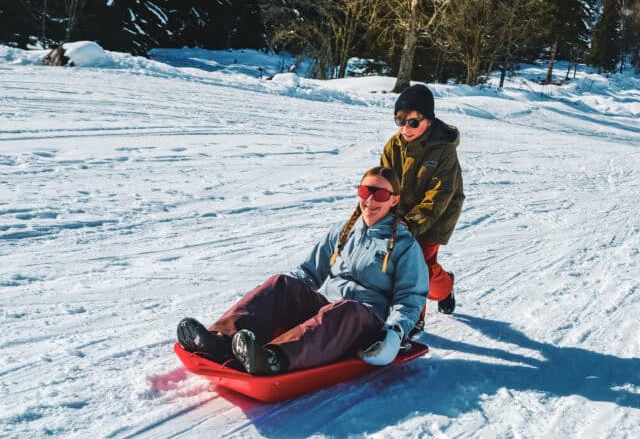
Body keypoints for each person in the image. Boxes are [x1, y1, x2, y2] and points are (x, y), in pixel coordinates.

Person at [175, 167, 428, 375]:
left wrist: (394, 332)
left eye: (381, 195)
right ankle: (220, 340)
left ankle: (272, 359)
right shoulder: (343, 231)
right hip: (328, 312)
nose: (370, 200)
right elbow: (308, 272)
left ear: (394, 200)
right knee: (282, 282)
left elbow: (410, 299)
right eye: (365, 191)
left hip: (365, 322)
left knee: (346, 308)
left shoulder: (405, 246)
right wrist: (273, 295)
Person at [381, 84, 464, 338]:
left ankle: (424, 309)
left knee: (421, 268)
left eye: (413, 122)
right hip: (404, 213)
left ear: (428, 121)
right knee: (392, 263)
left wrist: (412, 223)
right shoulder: (394, 146)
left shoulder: (443, 149)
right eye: (400, 120)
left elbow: (439, 195)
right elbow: (385, 181)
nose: (405, 128)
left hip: (437, 213)